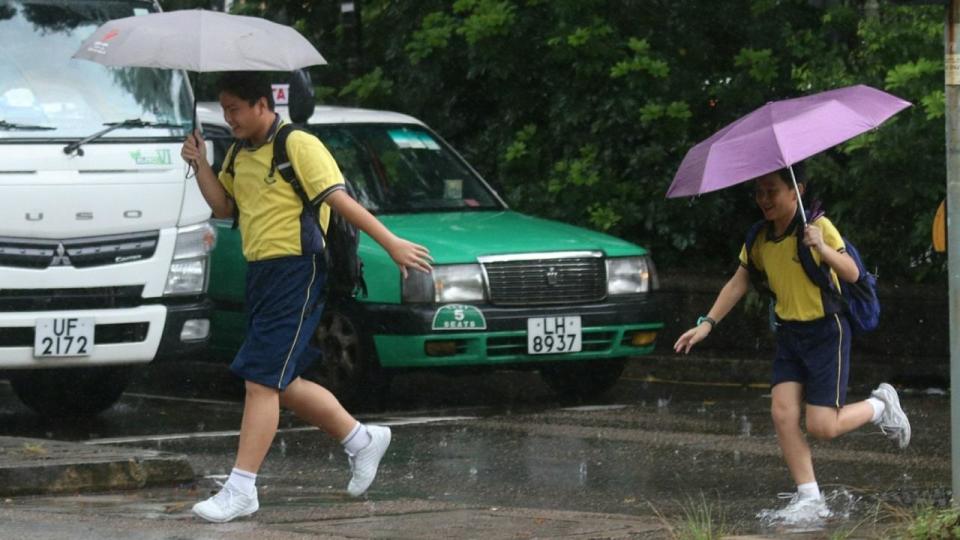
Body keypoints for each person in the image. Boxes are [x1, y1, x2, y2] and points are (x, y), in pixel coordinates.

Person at [180, 71, 433, 523]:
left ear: (262, 104)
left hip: (297, 272)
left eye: (234, 109)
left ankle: (242, 488)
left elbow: (338, 199)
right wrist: (200, 164)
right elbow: (224, 208)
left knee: (260, 380)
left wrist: (390, 243)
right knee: (283, 381)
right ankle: (360, 439)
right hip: (261, 274)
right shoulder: (239, 152)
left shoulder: (297, 144)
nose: (228, 118)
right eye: (223, 109)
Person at [673, 166, 910, 524]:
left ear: (795, 189)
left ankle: (880, 405)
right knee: (781, 413)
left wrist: (822, 247)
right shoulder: (758, 239)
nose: (764, 200)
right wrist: (707, 324)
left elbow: (852, 272)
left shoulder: (819, 227)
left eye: (772, 191)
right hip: (789, 335)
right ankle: (810, 498)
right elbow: (739, 282)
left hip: (826, 333)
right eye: (759, 193)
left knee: (822, 427)